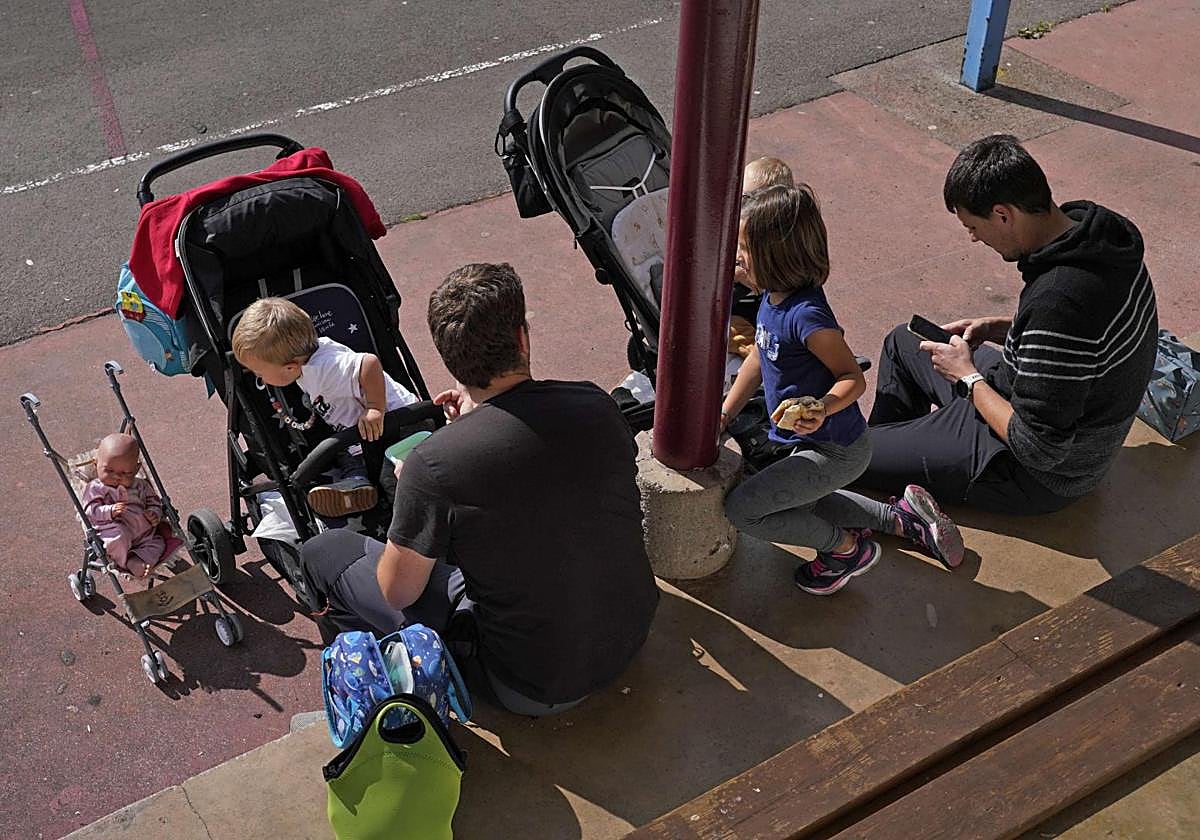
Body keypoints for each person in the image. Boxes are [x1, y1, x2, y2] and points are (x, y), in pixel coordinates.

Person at [301, 263, 658, 716]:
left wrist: (424, 474)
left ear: (450, 361)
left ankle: (380, 681)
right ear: (522, 338)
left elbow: (397, 593)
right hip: (629, 638)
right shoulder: (595, 403)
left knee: (326, 551)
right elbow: (542, 477)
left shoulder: (432, 465)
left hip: (531, 685)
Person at [858, 134, 1158, 514]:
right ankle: (897, 467)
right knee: (904, 341)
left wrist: (968, 377)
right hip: (1017, 395)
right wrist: (1001, 327)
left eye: (973, 226)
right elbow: (1084, 334)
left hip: (1035, 472)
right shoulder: (1100, 232)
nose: (972, 238)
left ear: (1003, 214)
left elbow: (1042, 448)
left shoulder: (1058, 300)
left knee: (851, 457)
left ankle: (884, 469)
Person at [720, 185, 964, 595]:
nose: (736, 257)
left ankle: (846, 552)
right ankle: (903, 519)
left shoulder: (808, 318)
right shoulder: (770, 299)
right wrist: (725, 414)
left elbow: (853, 377)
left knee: (744, 511)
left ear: (776, 256)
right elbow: (759, 357)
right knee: (800, 503)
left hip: (837, 450)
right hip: (814, 445)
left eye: (744, 248)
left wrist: (822, 406)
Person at [231, 297, 418, 518]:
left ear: (290, 368)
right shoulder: (308, 365)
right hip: (366, 438)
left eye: (259, 373)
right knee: (347, 455)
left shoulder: (324, 368)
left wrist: (375, 408)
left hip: (398, 428)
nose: (258, 378)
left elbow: (369, 364)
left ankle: (409, 519)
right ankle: (356, 485)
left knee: (394, 482)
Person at [82, 434, 172, 579]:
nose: (117, 476)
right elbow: (89, 511)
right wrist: (109, 511)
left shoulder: (141, 485)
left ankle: (139, 560)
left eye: (126, 473)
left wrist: (154, 513)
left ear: (136, 470)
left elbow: (154, 501)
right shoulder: (96, 488)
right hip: (113, 530)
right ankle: (126, 562)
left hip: (145, 535)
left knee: (159, 544)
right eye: (109, 471)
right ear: (95, 464)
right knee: (118, 536)